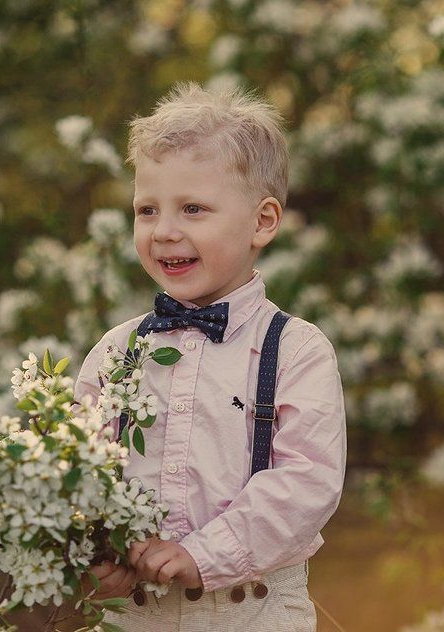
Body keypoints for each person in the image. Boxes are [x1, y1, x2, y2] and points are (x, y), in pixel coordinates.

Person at [74, 82, 347, 631]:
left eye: (193, 209)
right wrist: (99, 551)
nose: (165, 231)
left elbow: (306, 482)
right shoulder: (117, 352)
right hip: (133, 613)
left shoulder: (295, 351)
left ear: (262, 222)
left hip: (254, 611)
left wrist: (205, 554)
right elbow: (80, 470)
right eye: (147, 210)